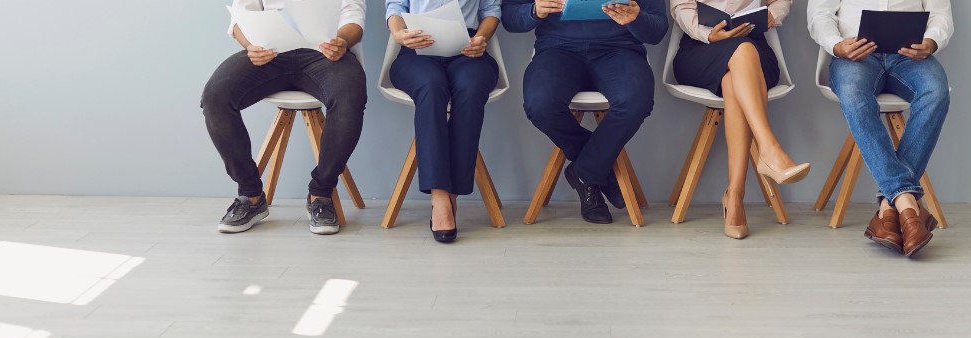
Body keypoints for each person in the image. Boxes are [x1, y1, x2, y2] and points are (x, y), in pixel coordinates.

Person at [202, 0, 367, 235]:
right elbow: (239, 18)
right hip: (270, 54)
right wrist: (251, 46)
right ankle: (251, 195)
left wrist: (342, 41)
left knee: (350, 96)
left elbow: (354, 15)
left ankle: (321, 192)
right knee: (215, 97)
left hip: (325, 55)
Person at [807, 0, 952, 257]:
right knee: (854, 96)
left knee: (936, 93)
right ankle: (907, 203)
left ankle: (889, 205)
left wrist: (931, 42)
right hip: (855, 56)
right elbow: (819, 13)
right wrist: (837, 45)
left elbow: (941, 15)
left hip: (909, 57)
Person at [501, 0, 667, 224]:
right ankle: (600, 172)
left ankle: (585, 172)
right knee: (540, 104)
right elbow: (510, 18)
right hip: (557, 49)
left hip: (620, 50)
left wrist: (637, 18)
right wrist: (532, 11)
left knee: (635, 101)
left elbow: (657, 30)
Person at [671, 0, 809, 239]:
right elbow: (681, 7)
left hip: (754, 50)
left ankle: (734, 195)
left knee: (734, 76)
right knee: (739, 58)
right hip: (702, 46)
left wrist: (771, 16)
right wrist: (708, 34)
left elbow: (783, 1)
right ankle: (768, 149)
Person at [386, 0, 501, 243]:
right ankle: (439, 198)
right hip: (416, 48)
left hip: (467, 47)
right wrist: (399, 34)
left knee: (470, 89)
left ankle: (452, 194)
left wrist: (481, 37)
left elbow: (490, 10)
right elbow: (395, 7)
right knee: (431, 86)